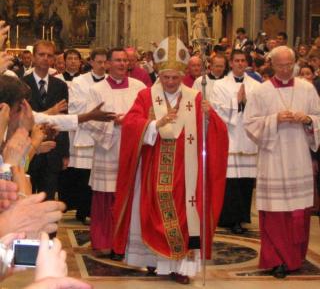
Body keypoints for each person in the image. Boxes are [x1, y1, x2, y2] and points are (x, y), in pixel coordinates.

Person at [112, 36, 228, 284]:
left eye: (176, 78)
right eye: (166, 78)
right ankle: (155, 262)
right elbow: (131, 125)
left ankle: (181, 267)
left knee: (186, 217)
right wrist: (154, 124)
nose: (171, 82)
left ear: (183, 75)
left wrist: (209, 118)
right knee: (151, 215)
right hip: (154, 167)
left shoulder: (195, 97)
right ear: (159, 75)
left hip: (187, 172)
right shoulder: (146, 96)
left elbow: (216, 133)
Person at [243, 46, 320, 278]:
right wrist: (274, 119)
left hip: (298, 157)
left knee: (298, 212)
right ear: (272, 65)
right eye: (280, 65)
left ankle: (295, 258)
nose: (285, 69)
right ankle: (276, 260)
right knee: (276, 213)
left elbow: (318, 116)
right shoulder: (261, 91)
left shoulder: (307, 89)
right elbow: (250, 124)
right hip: (273, 158)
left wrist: (307, 119)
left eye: (289, 65)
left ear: (295, 63)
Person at [84, 48, 145, 252]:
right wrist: (114, 124)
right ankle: (105, 242)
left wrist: (132, 123)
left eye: (124, 60)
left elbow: (148, 116)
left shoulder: (140, 88)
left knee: (130, 196)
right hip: (107, 150)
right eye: (117, 60)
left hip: (133, 150)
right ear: (107, 64)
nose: (121, 64)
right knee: (106, 198)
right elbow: (89, 120)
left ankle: (128, 242)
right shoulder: (97, 89)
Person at [211, 50, 260, 234]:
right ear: (230, 63)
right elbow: (216, 109)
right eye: (237, 61)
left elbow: (259, 110)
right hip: (230, 137)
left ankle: (242, 217)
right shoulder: (219, 85)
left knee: (246, 181)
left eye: (243, 60)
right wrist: (236, 102)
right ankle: (228, 218)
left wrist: (246, 103)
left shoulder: (255, 85)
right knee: (230, 180)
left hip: (248, 137)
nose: (240, 64)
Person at [23, 40, 70, 200]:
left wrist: (65, 153)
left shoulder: (60, 86)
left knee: (48, 201)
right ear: (33, 57)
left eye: (49, 55)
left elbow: (64, 121)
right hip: (29, 150)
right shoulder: (22, 84)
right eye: (41, 54)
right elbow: (21, 119)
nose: (45, 58)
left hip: (53, 151)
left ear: (53, 60)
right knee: (25, 199)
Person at [67, 48, 108, 224]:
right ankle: (83, 211)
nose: (102, 65)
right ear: (90, 62)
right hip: (84, 134)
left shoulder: (110, 82)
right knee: (84, 177)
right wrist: (96, 106)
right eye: (99, 62)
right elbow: (74, 107)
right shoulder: (78, 81)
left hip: (104, 134)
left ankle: (97, 212)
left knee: (100, 176)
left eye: (105, 62)